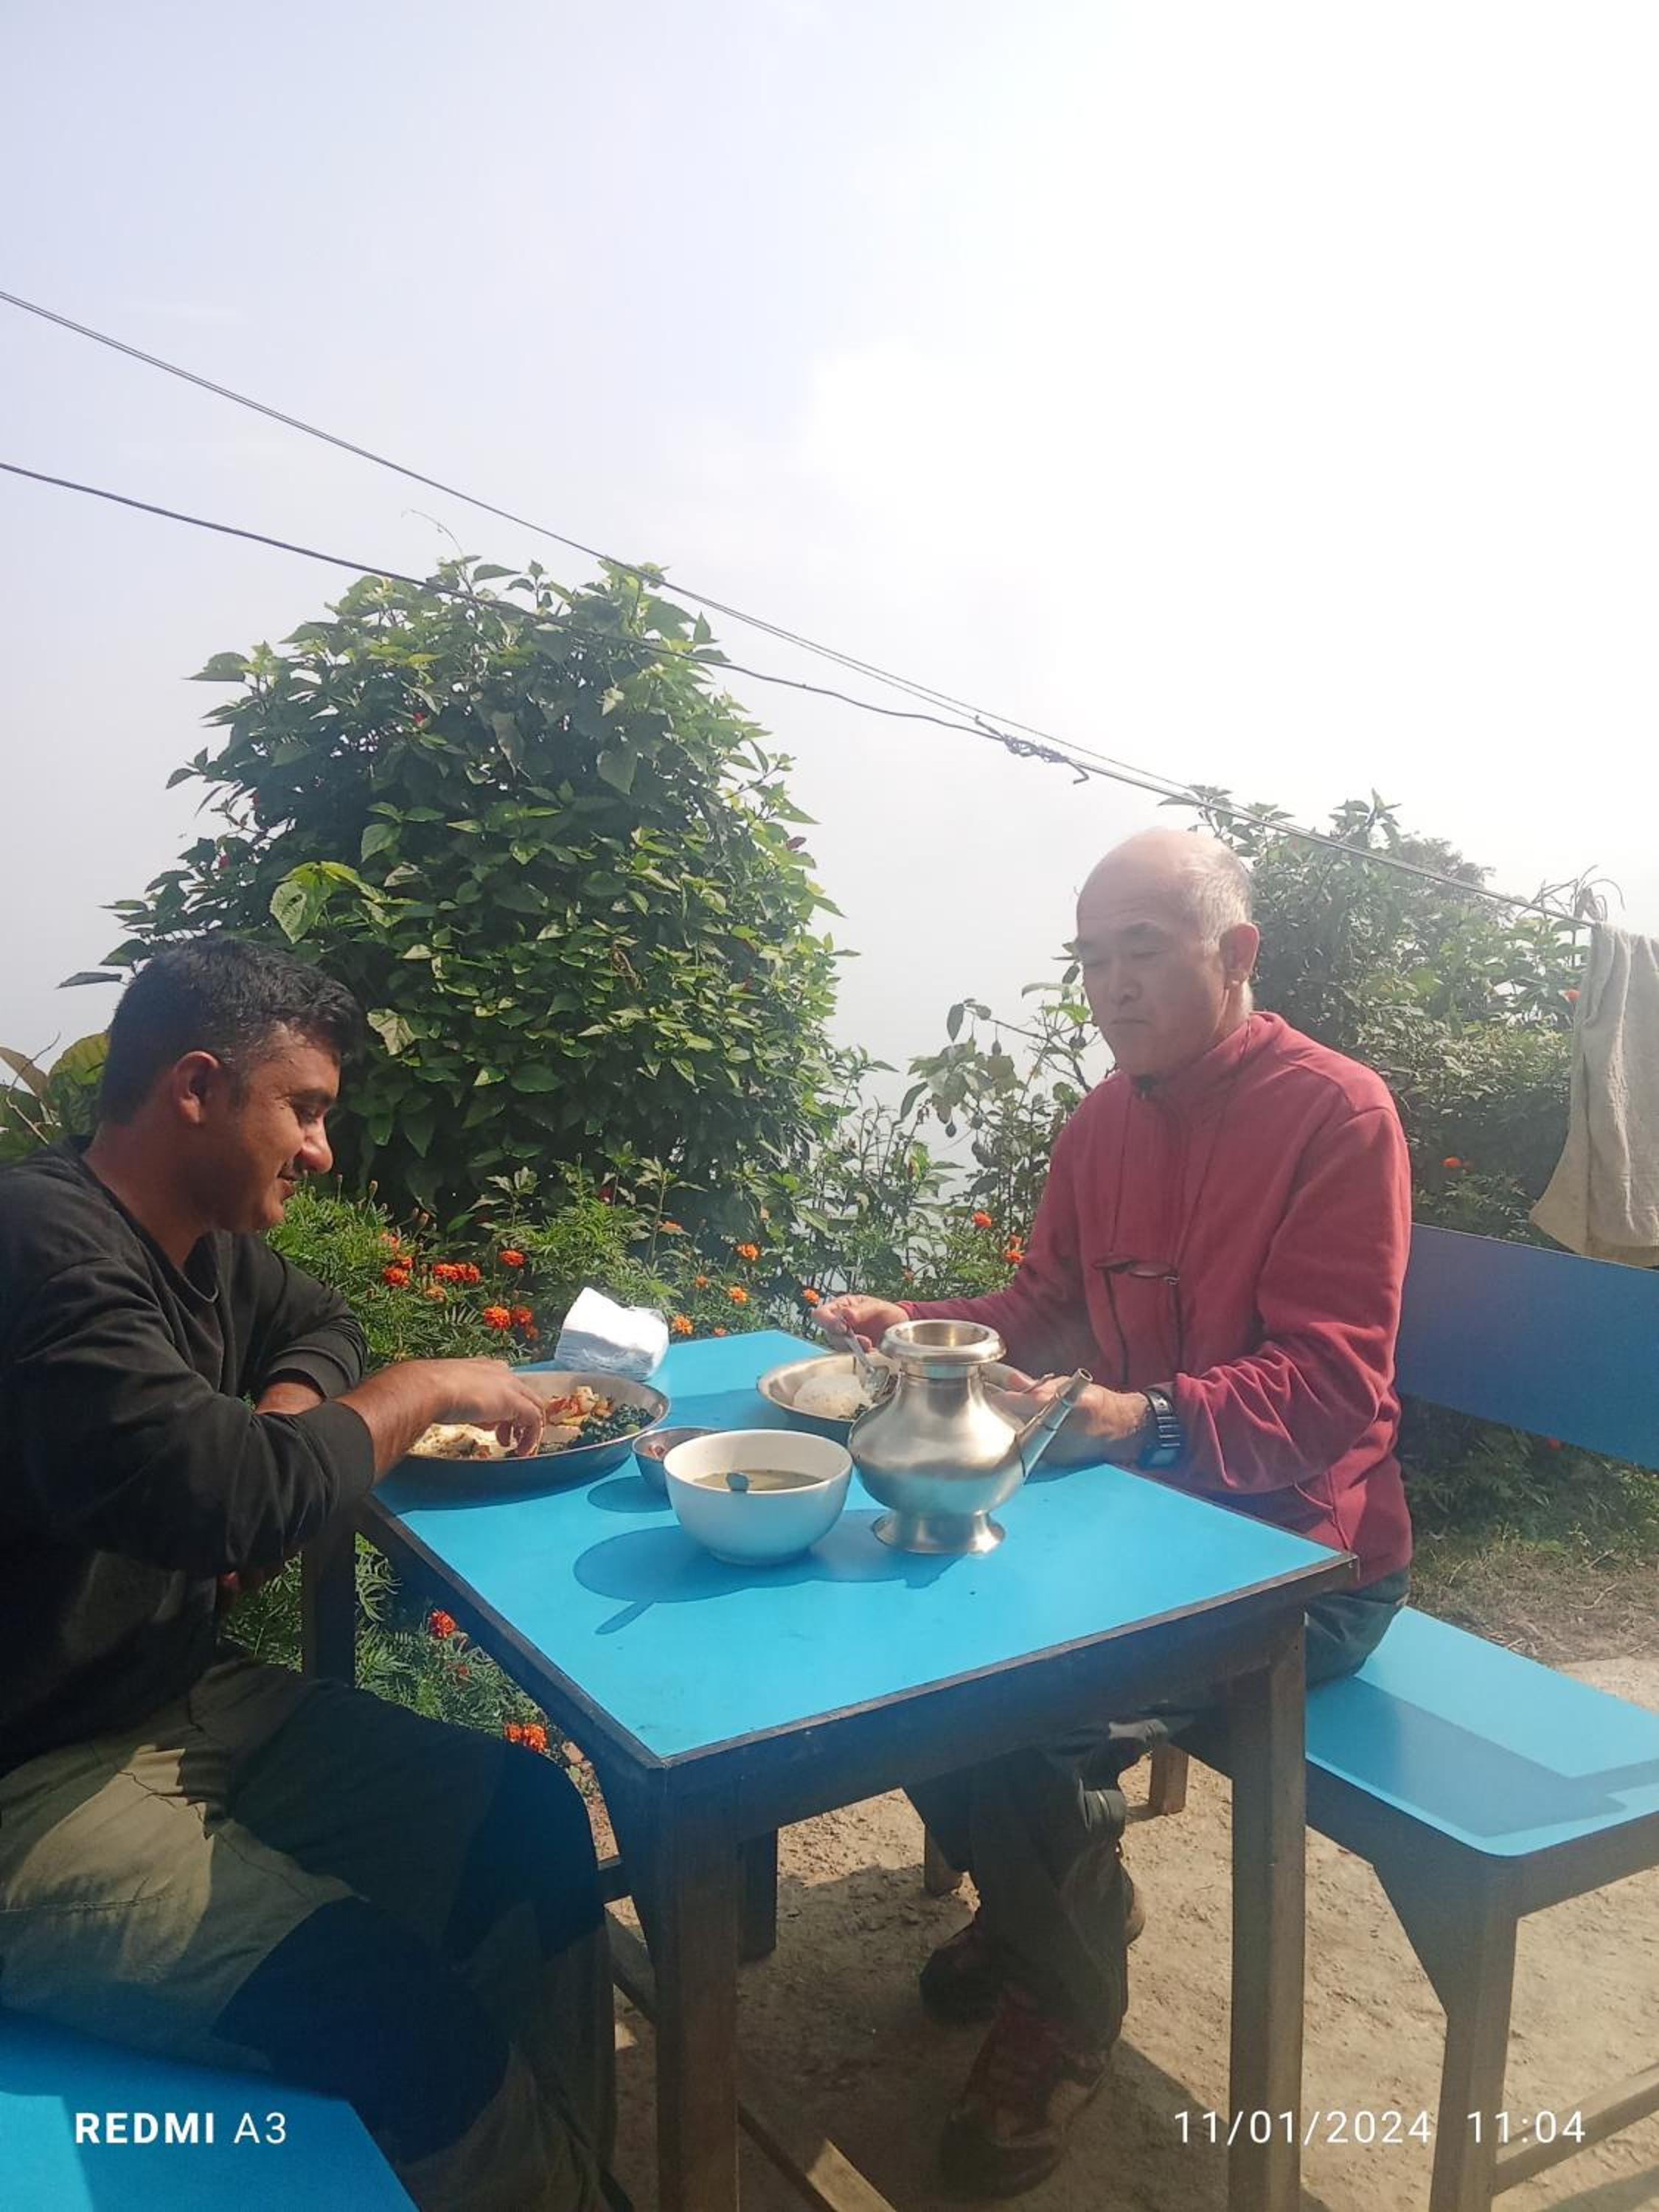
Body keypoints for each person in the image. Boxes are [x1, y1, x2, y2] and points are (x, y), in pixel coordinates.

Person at [818, 828, 1413, 2198]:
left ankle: (1064, 2001)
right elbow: (1043, 1304)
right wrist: (920, 1326)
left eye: (1140, 952)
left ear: (1235, 953)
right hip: (1139, 1528)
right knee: (896, 1641)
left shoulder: (1336, 1115)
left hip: (1299, 1561)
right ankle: (1052, 1914)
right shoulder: (1103, 1120)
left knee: (1023, 1703)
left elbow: (1334, 1387)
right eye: (1090, 961)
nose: (1110, 988)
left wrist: (1142, 1421)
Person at [0, 938, 627, 2212]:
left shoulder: (200, 1244)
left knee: (525, 1822)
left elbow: (320, 1327)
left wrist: (285, 1418)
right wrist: (421, 1388)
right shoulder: (42, 1243)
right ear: (195, 1087)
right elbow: (239, 1502)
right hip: (33, 1780)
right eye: (304, 1109)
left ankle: (561, 2168)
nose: (321, 1151)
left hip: (177, 1692)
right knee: (395, 2023)